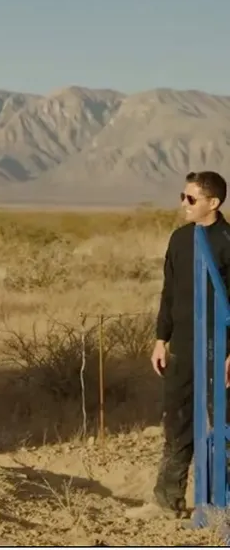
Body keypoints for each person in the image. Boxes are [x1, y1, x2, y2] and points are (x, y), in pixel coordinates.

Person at [127, 171, 230, 519]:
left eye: (190, 199)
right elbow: (169, 293)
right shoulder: (180, 239)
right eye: (182, 196)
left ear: (212, 203)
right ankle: (167, 500)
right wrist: (161, 339)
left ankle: (221, 504)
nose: (182, 204)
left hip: (221, 348)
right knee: (177, 420)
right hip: (183, 346)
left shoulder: (228, 241)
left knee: (224, 423)